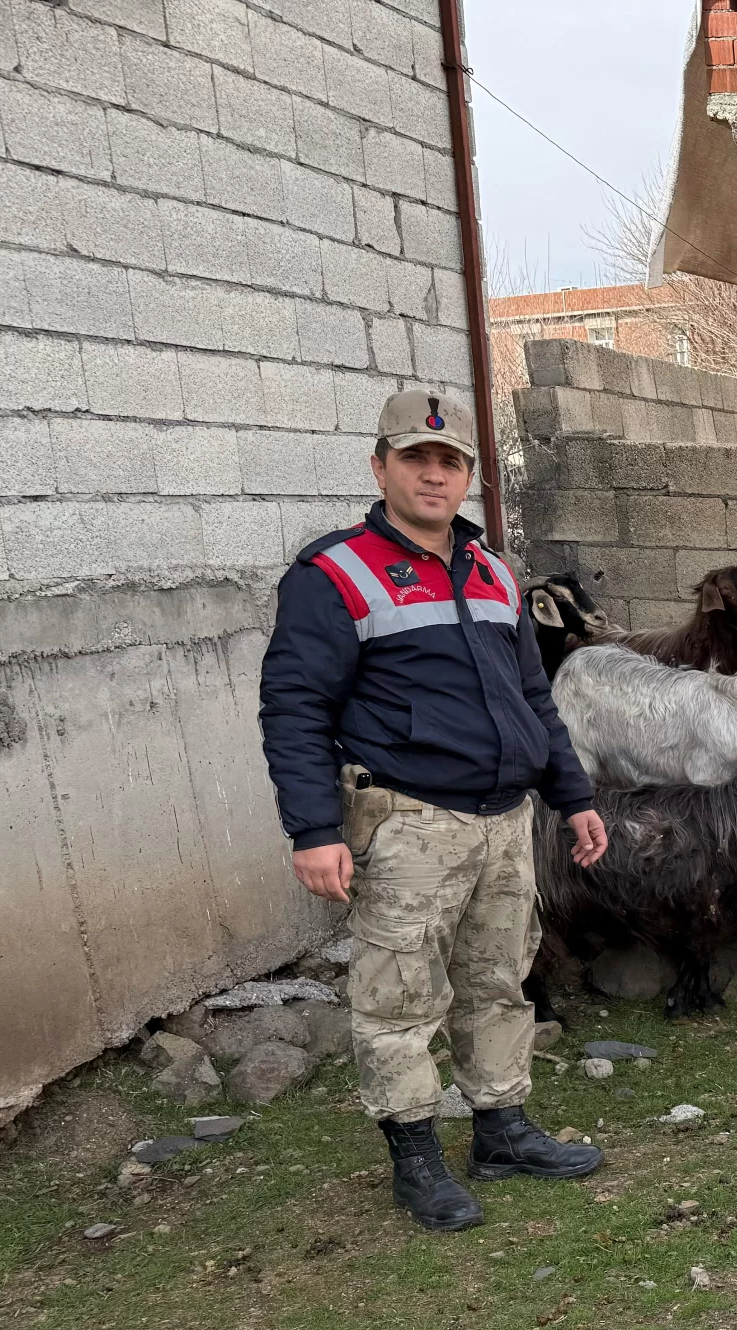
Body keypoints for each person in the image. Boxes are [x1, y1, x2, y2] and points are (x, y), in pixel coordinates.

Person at [259, 392, 611, 1233]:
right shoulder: (333, 574)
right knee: (400, 994)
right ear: (379, 466)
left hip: (502, 821)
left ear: (467, 479)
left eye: (448, 462)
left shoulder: (493, 572)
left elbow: (534, 696)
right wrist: (312, 829)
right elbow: (294, 706)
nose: (432, 473)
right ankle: (416, 1159)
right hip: (407, 820)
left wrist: (573, 797)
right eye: (415, 457)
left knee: (498, 979)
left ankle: (502, 1130)